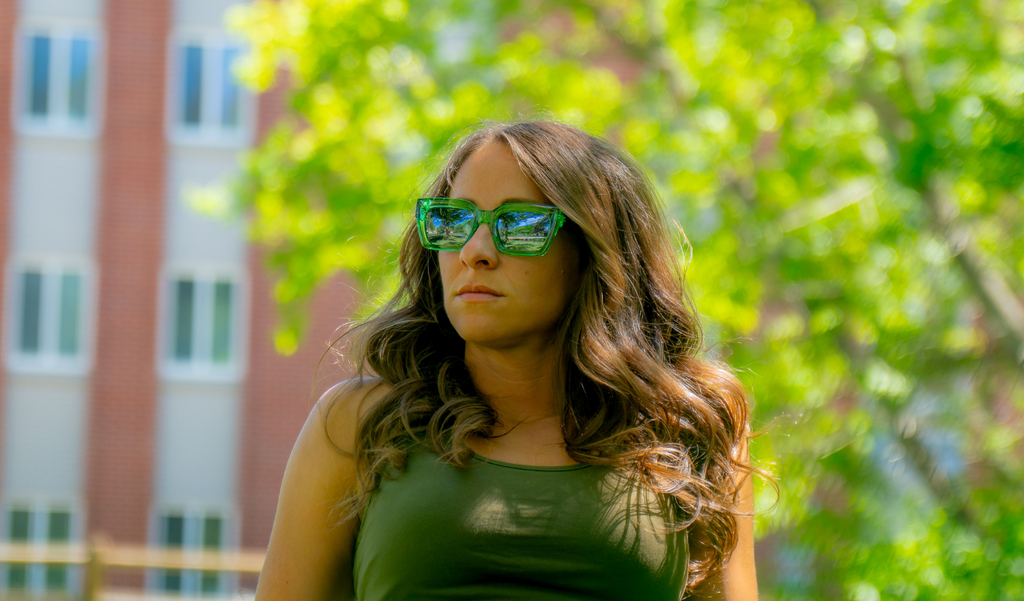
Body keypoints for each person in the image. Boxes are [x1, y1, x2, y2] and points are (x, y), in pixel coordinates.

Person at [255, 121, 759, 600]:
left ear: (596, 252)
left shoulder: (691, 428)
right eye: (455, 220)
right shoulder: (359, 423)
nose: (475, 250)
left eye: (518, 224)